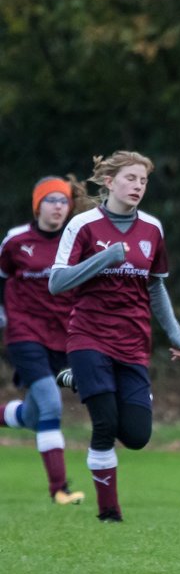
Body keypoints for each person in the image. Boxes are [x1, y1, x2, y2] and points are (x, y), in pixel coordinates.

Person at [48, 151, 180, 523]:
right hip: (89, 337)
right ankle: (109, 511)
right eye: (130, 179)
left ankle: (76, 379)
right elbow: (56, 282)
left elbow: (156, 288)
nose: (138, 187)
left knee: (138, 436)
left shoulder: (152, 229)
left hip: (133, 343)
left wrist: (175, 335)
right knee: (106, 423)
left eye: (143, 181)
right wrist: (103, 258)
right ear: (109, 182)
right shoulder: (83, 225)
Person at [0, 175, 93, 505]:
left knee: (34, 416)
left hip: (64, 337)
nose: (58, 206)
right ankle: (60, 490)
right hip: (25, 335)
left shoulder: (77, 241)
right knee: (52, 404)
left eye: (63, 201)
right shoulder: (16, 241)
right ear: (38, 205)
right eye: (51, 200)